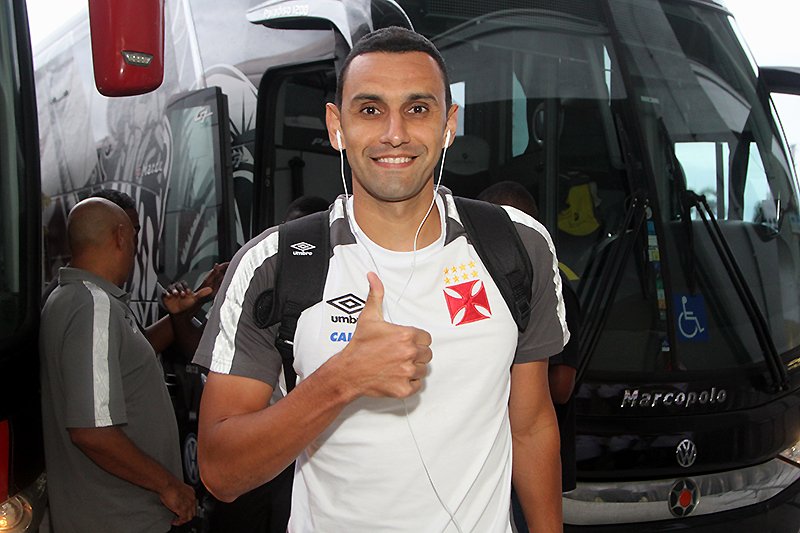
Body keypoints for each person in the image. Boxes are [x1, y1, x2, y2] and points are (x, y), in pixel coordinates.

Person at [194, 27, 567, 532]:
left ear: (448, 124)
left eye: (418, 109)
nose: (395, 133)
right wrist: (341, 380)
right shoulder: (273, 265)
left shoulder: (517, 245)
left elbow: (531, 426)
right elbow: (221, 474)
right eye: (370, 109)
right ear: (336, 126)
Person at [40, 198, 197, 532]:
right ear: (121, 236)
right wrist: (168, 485)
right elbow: (91, 431)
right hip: (121, 519)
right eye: (134, 237)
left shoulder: (66, 298)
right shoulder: (93, 306)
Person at [207, 195, 329, 533]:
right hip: (261, 449)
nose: (300, 243)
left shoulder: (340, 285)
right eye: (292, 230)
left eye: (310, 231)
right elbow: (220, 466)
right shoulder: (262, 274)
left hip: (306, 457)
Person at [478, 181, 583, 531]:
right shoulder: (469, 277)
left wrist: (498, 386)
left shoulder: (550, 284)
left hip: (526, 461)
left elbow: (561, 386)